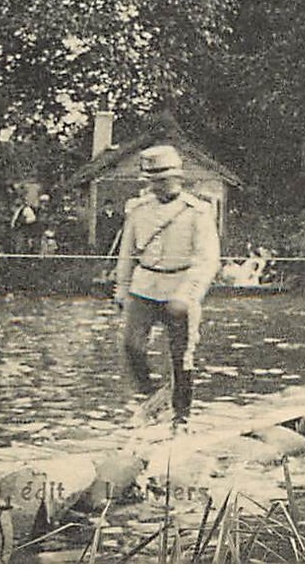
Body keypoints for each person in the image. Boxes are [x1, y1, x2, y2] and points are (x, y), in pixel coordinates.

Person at [114, 145, 220, 426]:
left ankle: (181, 419)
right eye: (152, 182)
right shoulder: (138, 210)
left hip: (181, 287)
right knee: (131, 346)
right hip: (145, 286)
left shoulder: (197, 212)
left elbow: (208, 260)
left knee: (181, 358)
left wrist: (188, 295)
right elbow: (127, 253)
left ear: (177, 179)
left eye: (162, 181)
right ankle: (153, 398)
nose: (157, 188)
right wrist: (122, 291)